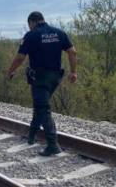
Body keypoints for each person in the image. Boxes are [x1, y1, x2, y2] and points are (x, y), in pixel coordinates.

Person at [6, 11, 77, 156]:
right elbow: (72, 52)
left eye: (29, 25)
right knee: (40, 105)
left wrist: (10, 71)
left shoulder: (31, 35)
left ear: (32, 22)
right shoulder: (59, 33)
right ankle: (31, 136)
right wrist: (73, 72)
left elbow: (20, 57)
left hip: (40, 78)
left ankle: (53, 145)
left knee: (43, 108)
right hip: (55, 77)